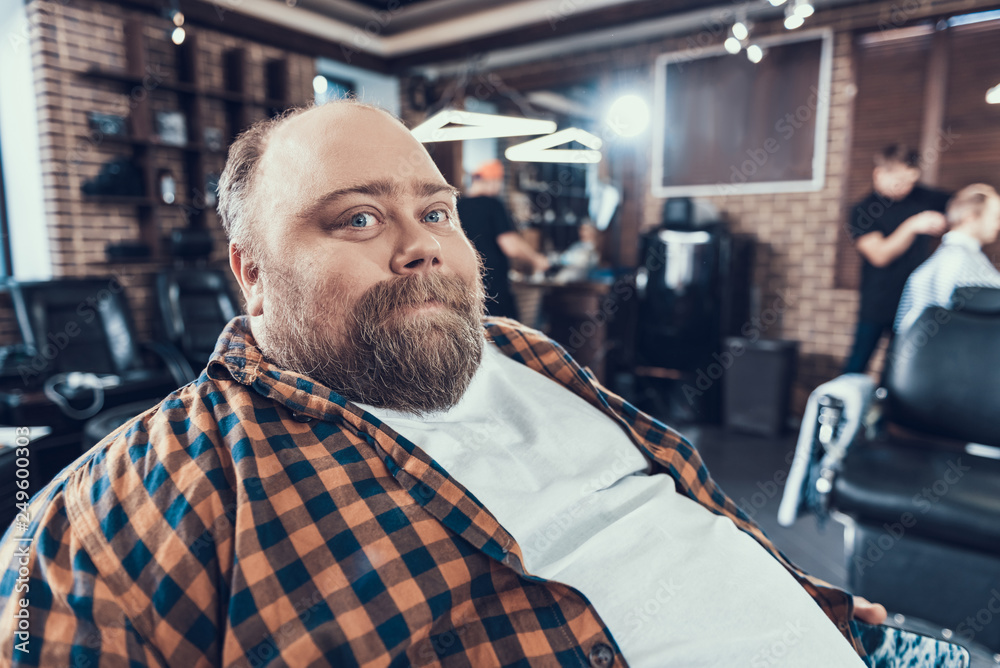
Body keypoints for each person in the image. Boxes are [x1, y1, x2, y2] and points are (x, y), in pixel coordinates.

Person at [0, 100, 886, 666]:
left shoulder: (528, 353)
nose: (422, 241)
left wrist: (806, 599)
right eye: (357, 217)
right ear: (254, 274)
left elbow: (680, 507)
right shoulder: (112, 513)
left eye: (435, 211)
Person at [844, 144, 950, 373]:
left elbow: (965, 207)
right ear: (879, 173)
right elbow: (880, 255)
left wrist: (949, 221)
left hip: (914, 301)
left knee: (898, 370)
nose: (906, 186)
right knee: (857, 363)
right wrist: (913, 225)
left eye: (910, 180)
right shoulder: (863, 210)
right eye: (900, 180)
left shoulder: (923, 197)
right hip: (877, 302)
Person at [895, 183, 1000, 332]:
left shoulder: (948, 260)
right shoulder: (954, 262)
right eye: (995, 217)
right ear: (970, 218)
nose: (998, 225)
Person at [456, 159, 549, 320]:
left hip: (467, 286)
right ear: (492, 180)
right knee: (504, 336)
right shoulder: (493, 205)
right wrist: (536, 260)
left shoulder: (458, 205)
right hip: (494, 288)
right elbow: (510, 245)